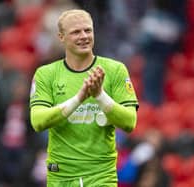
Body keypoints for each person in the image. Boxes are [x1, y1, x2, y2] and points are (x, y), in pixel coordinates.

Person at [30, 9, 139, 187]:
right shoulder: (46, 74)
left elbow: (129, 122)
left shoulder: (115, 70)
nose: (84, 36)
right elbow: (38, 121)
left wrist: (100, 96)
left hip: (101, 175)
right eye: (76, 32)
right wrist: (78, 98)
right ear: (61, 37)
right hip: (61, 176)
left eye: (88, 30)